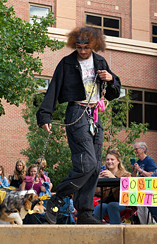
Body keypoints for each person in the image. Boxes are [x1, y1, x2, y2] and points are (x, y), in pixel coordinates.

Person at [36, 26, 121, 224]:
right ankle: (56, 198)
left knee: (93, 168)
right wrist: (44, 116)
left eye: (86, 47)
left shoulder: (100, 61)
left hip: (95, 115)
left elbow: (113, 92)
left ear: (94, 46)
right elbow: (54, 88)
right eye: (79, 47)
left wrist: (111, 78)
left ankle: (85, 213)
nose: (82, 51)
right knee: (87, 163)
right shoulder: (67, 63)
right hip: (76, 112)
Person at [93, 150, 131, 224]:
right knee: (100, 207)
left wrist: (113, 178)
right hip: (106, 204)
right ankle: (94, 231)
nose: (109, 161)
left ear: (118, 161)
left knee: (112, 205)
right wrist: (97, 181)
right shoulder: (103, 174)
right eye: (107, 159)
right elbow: (97, 194)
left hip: (123, 204)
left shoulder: (126, 175)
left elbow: (127, 191)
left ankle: (116, 231)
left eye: (112, 159)